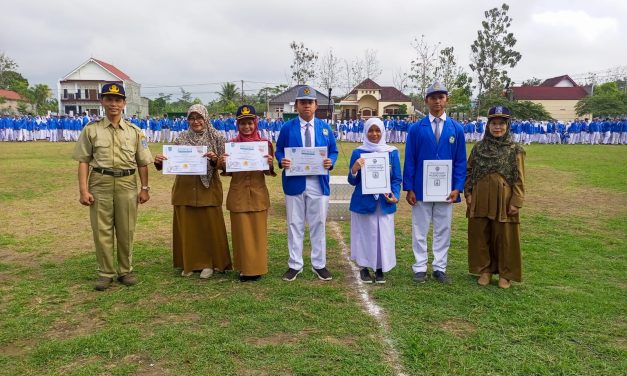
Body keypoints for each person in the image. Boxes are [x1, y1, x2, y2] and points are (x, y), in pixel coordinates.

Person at [72, 83, 152, 291]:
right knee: (102, 230)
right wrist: (83, 190)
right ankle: (105, 273)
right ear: (102, 101)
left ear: (124, 103)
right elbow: (83, 161)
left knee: (126, 229)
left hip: (127, 183)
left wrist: (145, 188)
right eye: (109, 99)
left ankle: (125, 270)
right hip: (100, 182)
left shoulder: (135, 132)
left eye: (118, 100)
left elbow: (142, 162)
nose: (113, 104)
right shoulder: (91, 130)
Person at [153, 104, 231, 279]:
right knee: (188, 226)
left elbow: (225, 164)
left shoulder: (217, 137)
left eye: (199, 118)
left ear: (206, 118)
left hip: (208, 188)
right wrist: (160, 161)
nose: (196, 122)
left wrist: (214, 160)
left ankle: (208, 263)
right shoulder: (181, 137)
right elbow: (171, 163)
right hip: (185, 187)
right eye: (192, 118)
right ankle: (189, 262)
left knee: (207, 225)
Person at [403, 81, 467, 284]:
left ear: (446, 100)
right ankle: (420, 267)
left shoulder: (456, 129)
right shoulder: (416, 129)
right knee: (419, 229)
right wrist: (409, 187)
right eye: (433, 97)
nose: (437, 101)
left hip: (446, 190)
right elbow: (410, 159)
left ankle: (440, 267)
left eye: (441, 97)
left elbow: (460, 161)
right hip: (421, 189)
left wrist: (458, 187)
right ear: (426, 101)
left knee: (443, 229)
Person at [275, 85, 339, 281]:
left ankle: (319, 264)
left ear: (316, 105)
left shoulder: (325, 128)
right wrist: (281, 161)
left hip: (318, 182)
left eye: (310, 102)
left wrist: (331, 162)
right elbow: (279, 150)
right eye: (302, 103)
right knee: (295, 223)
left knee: (318, 223)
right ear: (296, 105)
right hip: (295, 181)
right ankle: (295, 264)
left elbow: (333, 151)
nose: (306, 106)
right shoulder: (287, 128)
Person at [465, 106, 525, 289]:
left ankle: (506, 274)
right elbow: (469, 171)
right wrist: (468, 193)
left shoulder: (515, 149)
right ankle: (485, 270)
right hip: (480, 197)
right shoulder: (479, 148)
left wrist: (516, 201)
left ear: (507, 126)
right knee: (480, 234)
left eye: (501, 124)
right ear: (488, 126)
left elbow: (520, 177)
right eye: (493, 123)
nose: (497, 127)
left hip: (504, 199)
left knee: (504, 236)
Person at [219, 105, 276, 282]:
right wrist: (223, 163)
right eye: (243, 123)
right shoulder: (231, 145)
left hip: (258, 193)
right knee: (241, 232)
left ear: (256, 123)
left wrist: (270, 162)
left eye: (250, 123)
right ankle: (244, 267)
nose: (247, 127)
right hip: (238, 194)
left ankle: (257, 267)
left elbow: (268, 172)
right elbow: (228, 172)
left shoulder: (264, 144)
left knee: (258, 232)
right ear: (237, 124)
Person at [348, 118, 402, 284]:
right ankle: (364, 267)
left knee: (383, 235)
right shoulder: (358, 152)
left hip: (384, 202)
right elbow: (352, 181)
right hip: (364, 202)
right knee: (364, 234)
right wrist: (355, 169)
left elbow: (396, 178)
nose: (374, 134)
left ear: (383, 131)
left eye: (377, 130)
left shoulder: (391, 152)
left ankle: (380, 268)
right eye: (370, 131)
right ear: (365, 132)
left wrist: (395, 195)